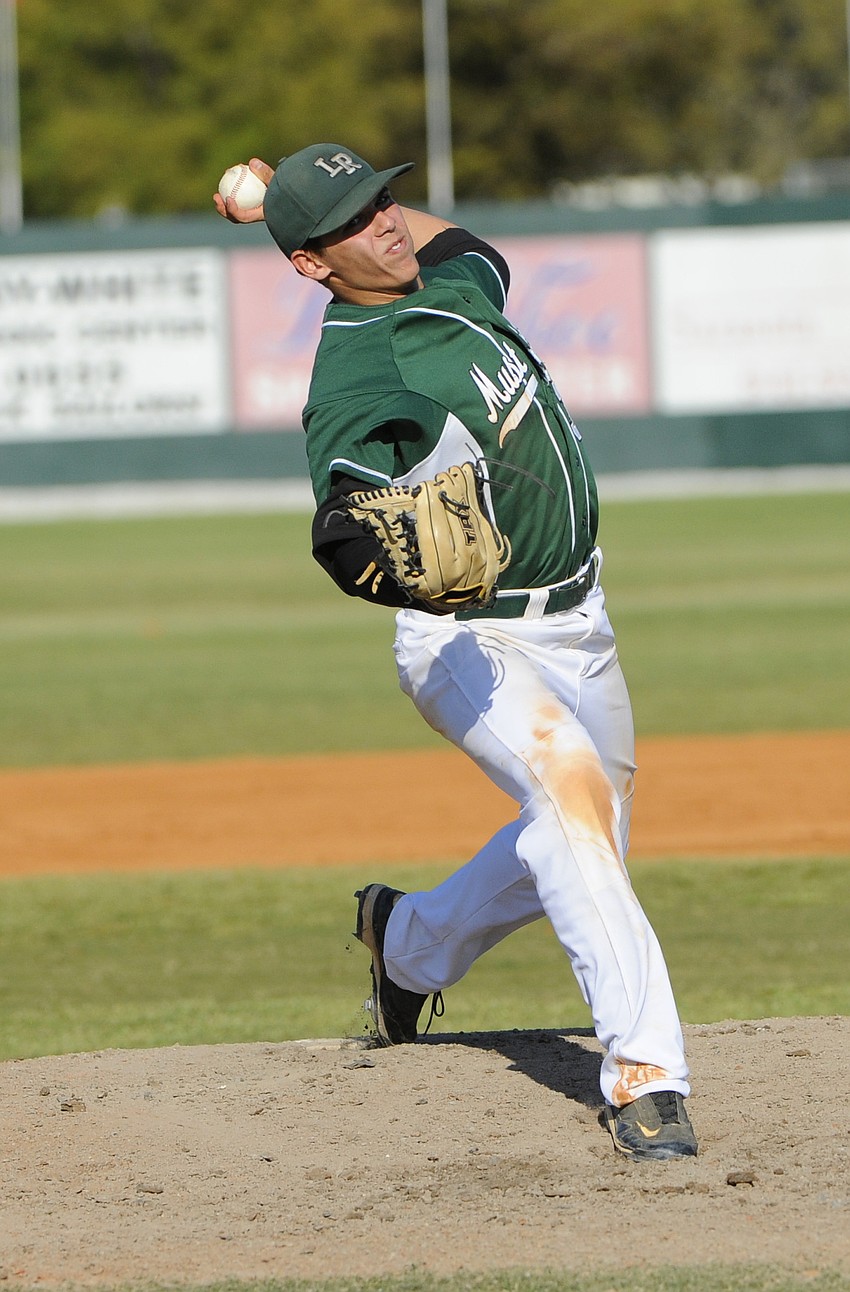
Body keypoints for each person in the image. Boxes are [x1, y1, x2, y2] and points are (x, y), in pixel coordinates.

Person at [215, 145, 697, 1162]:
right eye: (355, 220)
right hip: (468, 637)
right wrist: (406, 574)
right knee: (568, 804)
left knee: (583, 835)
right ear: (311, 266)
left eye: (384, 198)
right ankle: (646, 1077)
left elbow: (455, 236)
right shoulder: (360, 360)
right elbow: (339, 528)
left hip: (581, 619)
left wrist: (296, 206)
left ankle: (405, 944)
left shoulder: (455, 280)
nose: (387, 222)